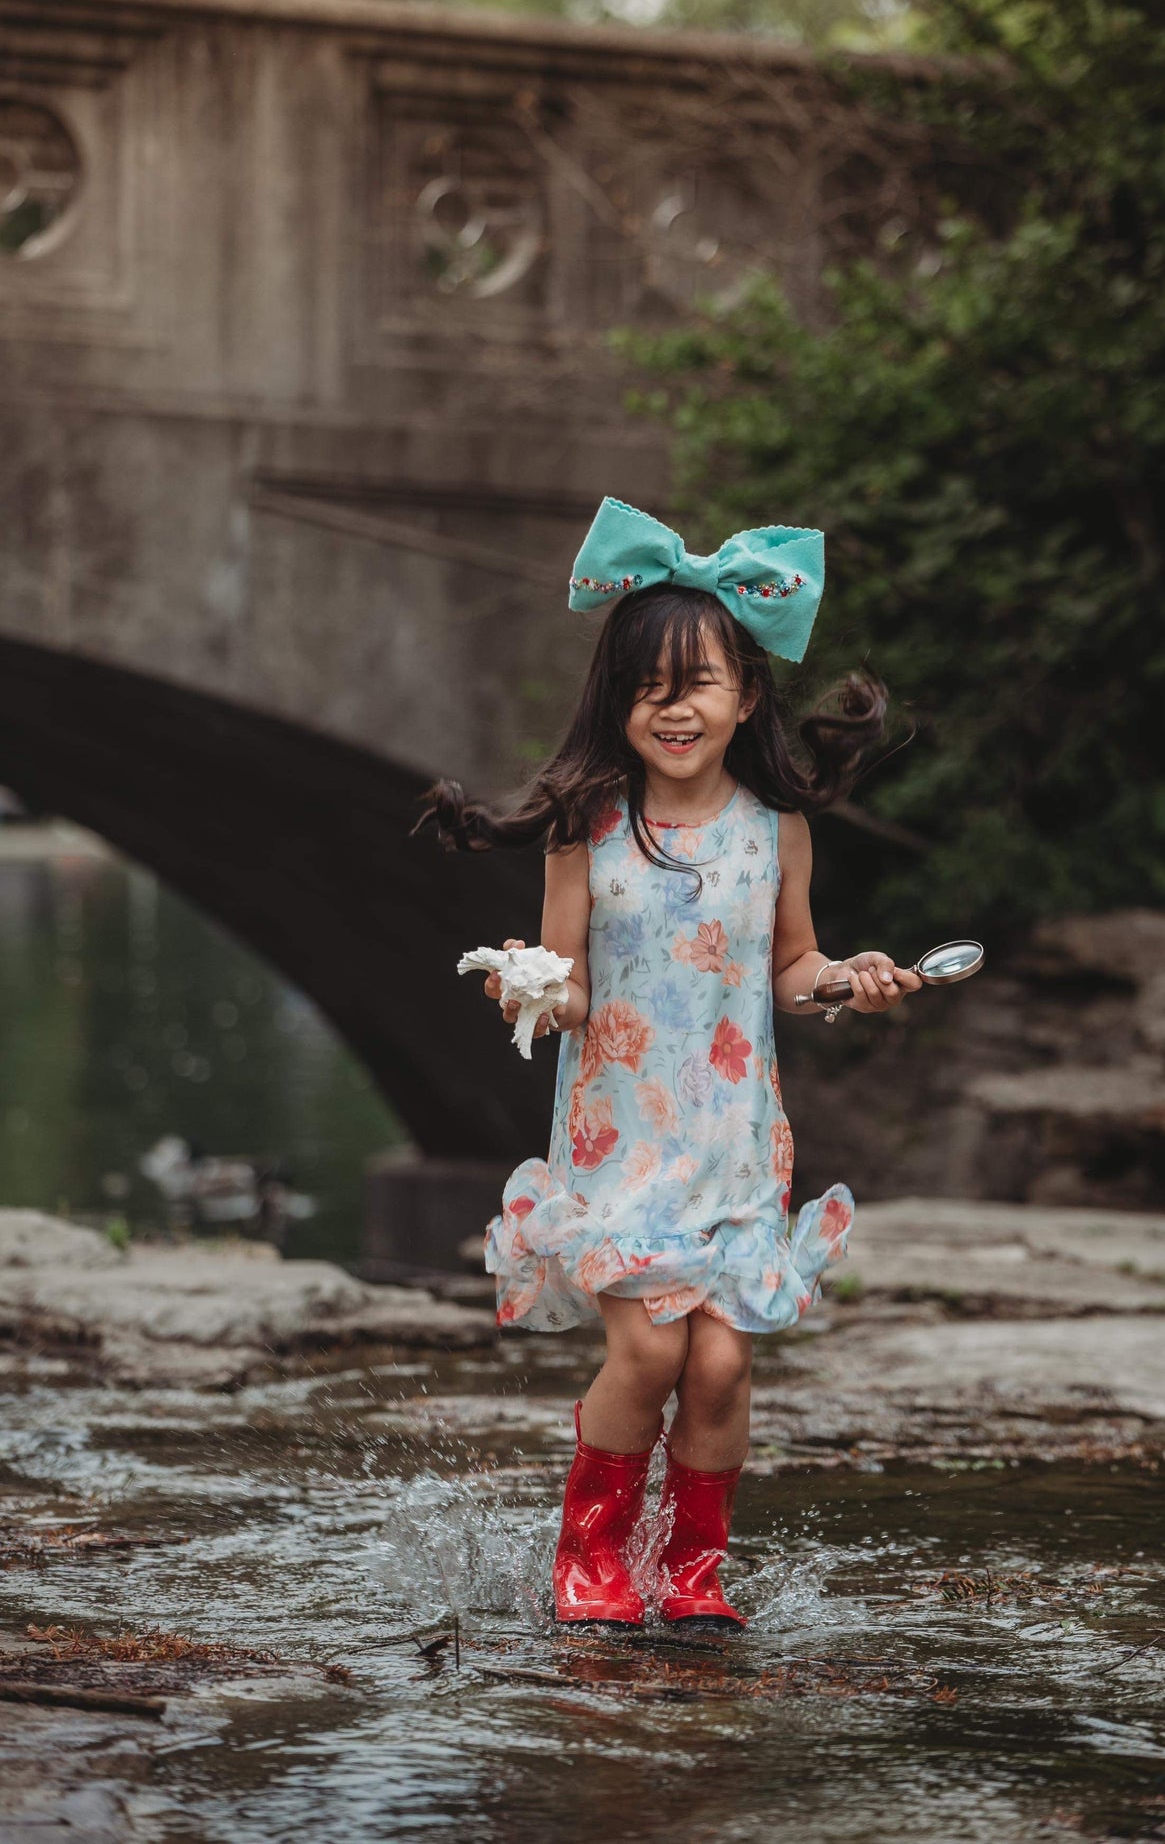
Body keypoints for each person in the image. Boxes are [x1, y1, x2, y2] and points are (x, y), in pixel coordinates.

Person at [417, 497, 919, 1631]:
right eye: (648, 686)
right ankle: (590, 1553)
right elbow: (570, 975)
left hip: (734, 1138)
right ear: (617, 702)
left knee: (721, 1366)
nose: (673, 707)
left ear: (745, 696)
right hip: (621, 1138)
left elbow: (788, 965)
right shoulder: (584, 825)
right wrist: (530, 991)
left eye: (698, 683)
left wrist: (847, 976)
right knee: (647, 1348)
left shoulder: (775, 828)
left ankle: (690, 1568)